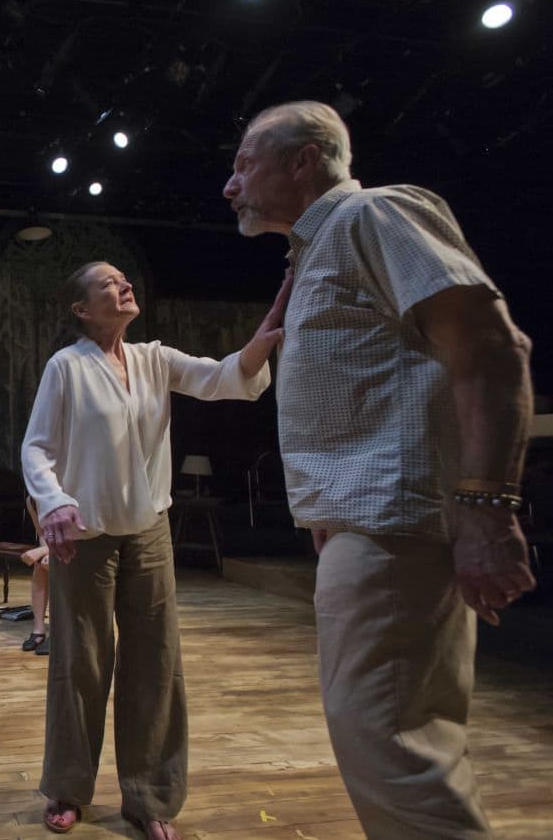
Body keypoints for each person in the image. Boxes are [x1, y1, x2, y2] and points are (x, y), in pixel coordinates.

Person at [223, 101, 535, 839]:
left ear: (303, 160)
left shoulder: (376, 215)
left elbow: (492, 351)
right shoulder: (317, 249)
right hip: (366, 526)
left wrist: (488, 510)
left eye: (244, 163)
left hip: (395, 526)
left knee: (392, 742)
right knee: (391, 737)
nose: (230, 186)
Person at [21, 261, 290, 838]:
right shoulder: (66, 368)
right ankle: (68, 788)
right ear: (82, 310)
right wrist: (55, 502)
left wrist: (264, 335)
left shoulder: (154, 359)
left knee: (156, 663)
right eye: (109, 284)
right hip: (86, 538)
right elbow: (36, 449)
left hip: (148, 531)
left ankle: (150, 798)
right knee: (81, 663)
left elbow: (223, 378)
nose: (125, 286)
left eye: (126, 280)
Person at [20, 498, 50, 655]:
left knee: (54, 564)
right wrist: (45, 551)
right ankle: (39, 629)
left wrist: (46, 551)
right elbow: (43, 535)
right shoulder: (32, 501)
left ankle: (60, 632)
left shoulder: (69, 489)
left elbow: (79, 535)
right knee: (41, 566)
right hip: (56, 546)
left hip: (83, 547)